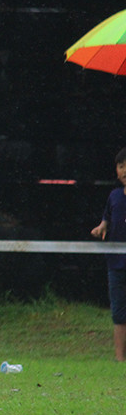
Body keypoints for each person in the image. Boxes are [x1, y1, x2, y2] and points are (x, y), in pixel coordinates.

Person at [90, 147, 126, 362]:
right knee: (119, 314)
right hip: (116, 263)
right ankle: (120, 359)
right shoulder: (113, 196)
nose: (124, 171)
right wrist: (101, 228)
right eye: (121, 166)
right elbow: (106, 220)